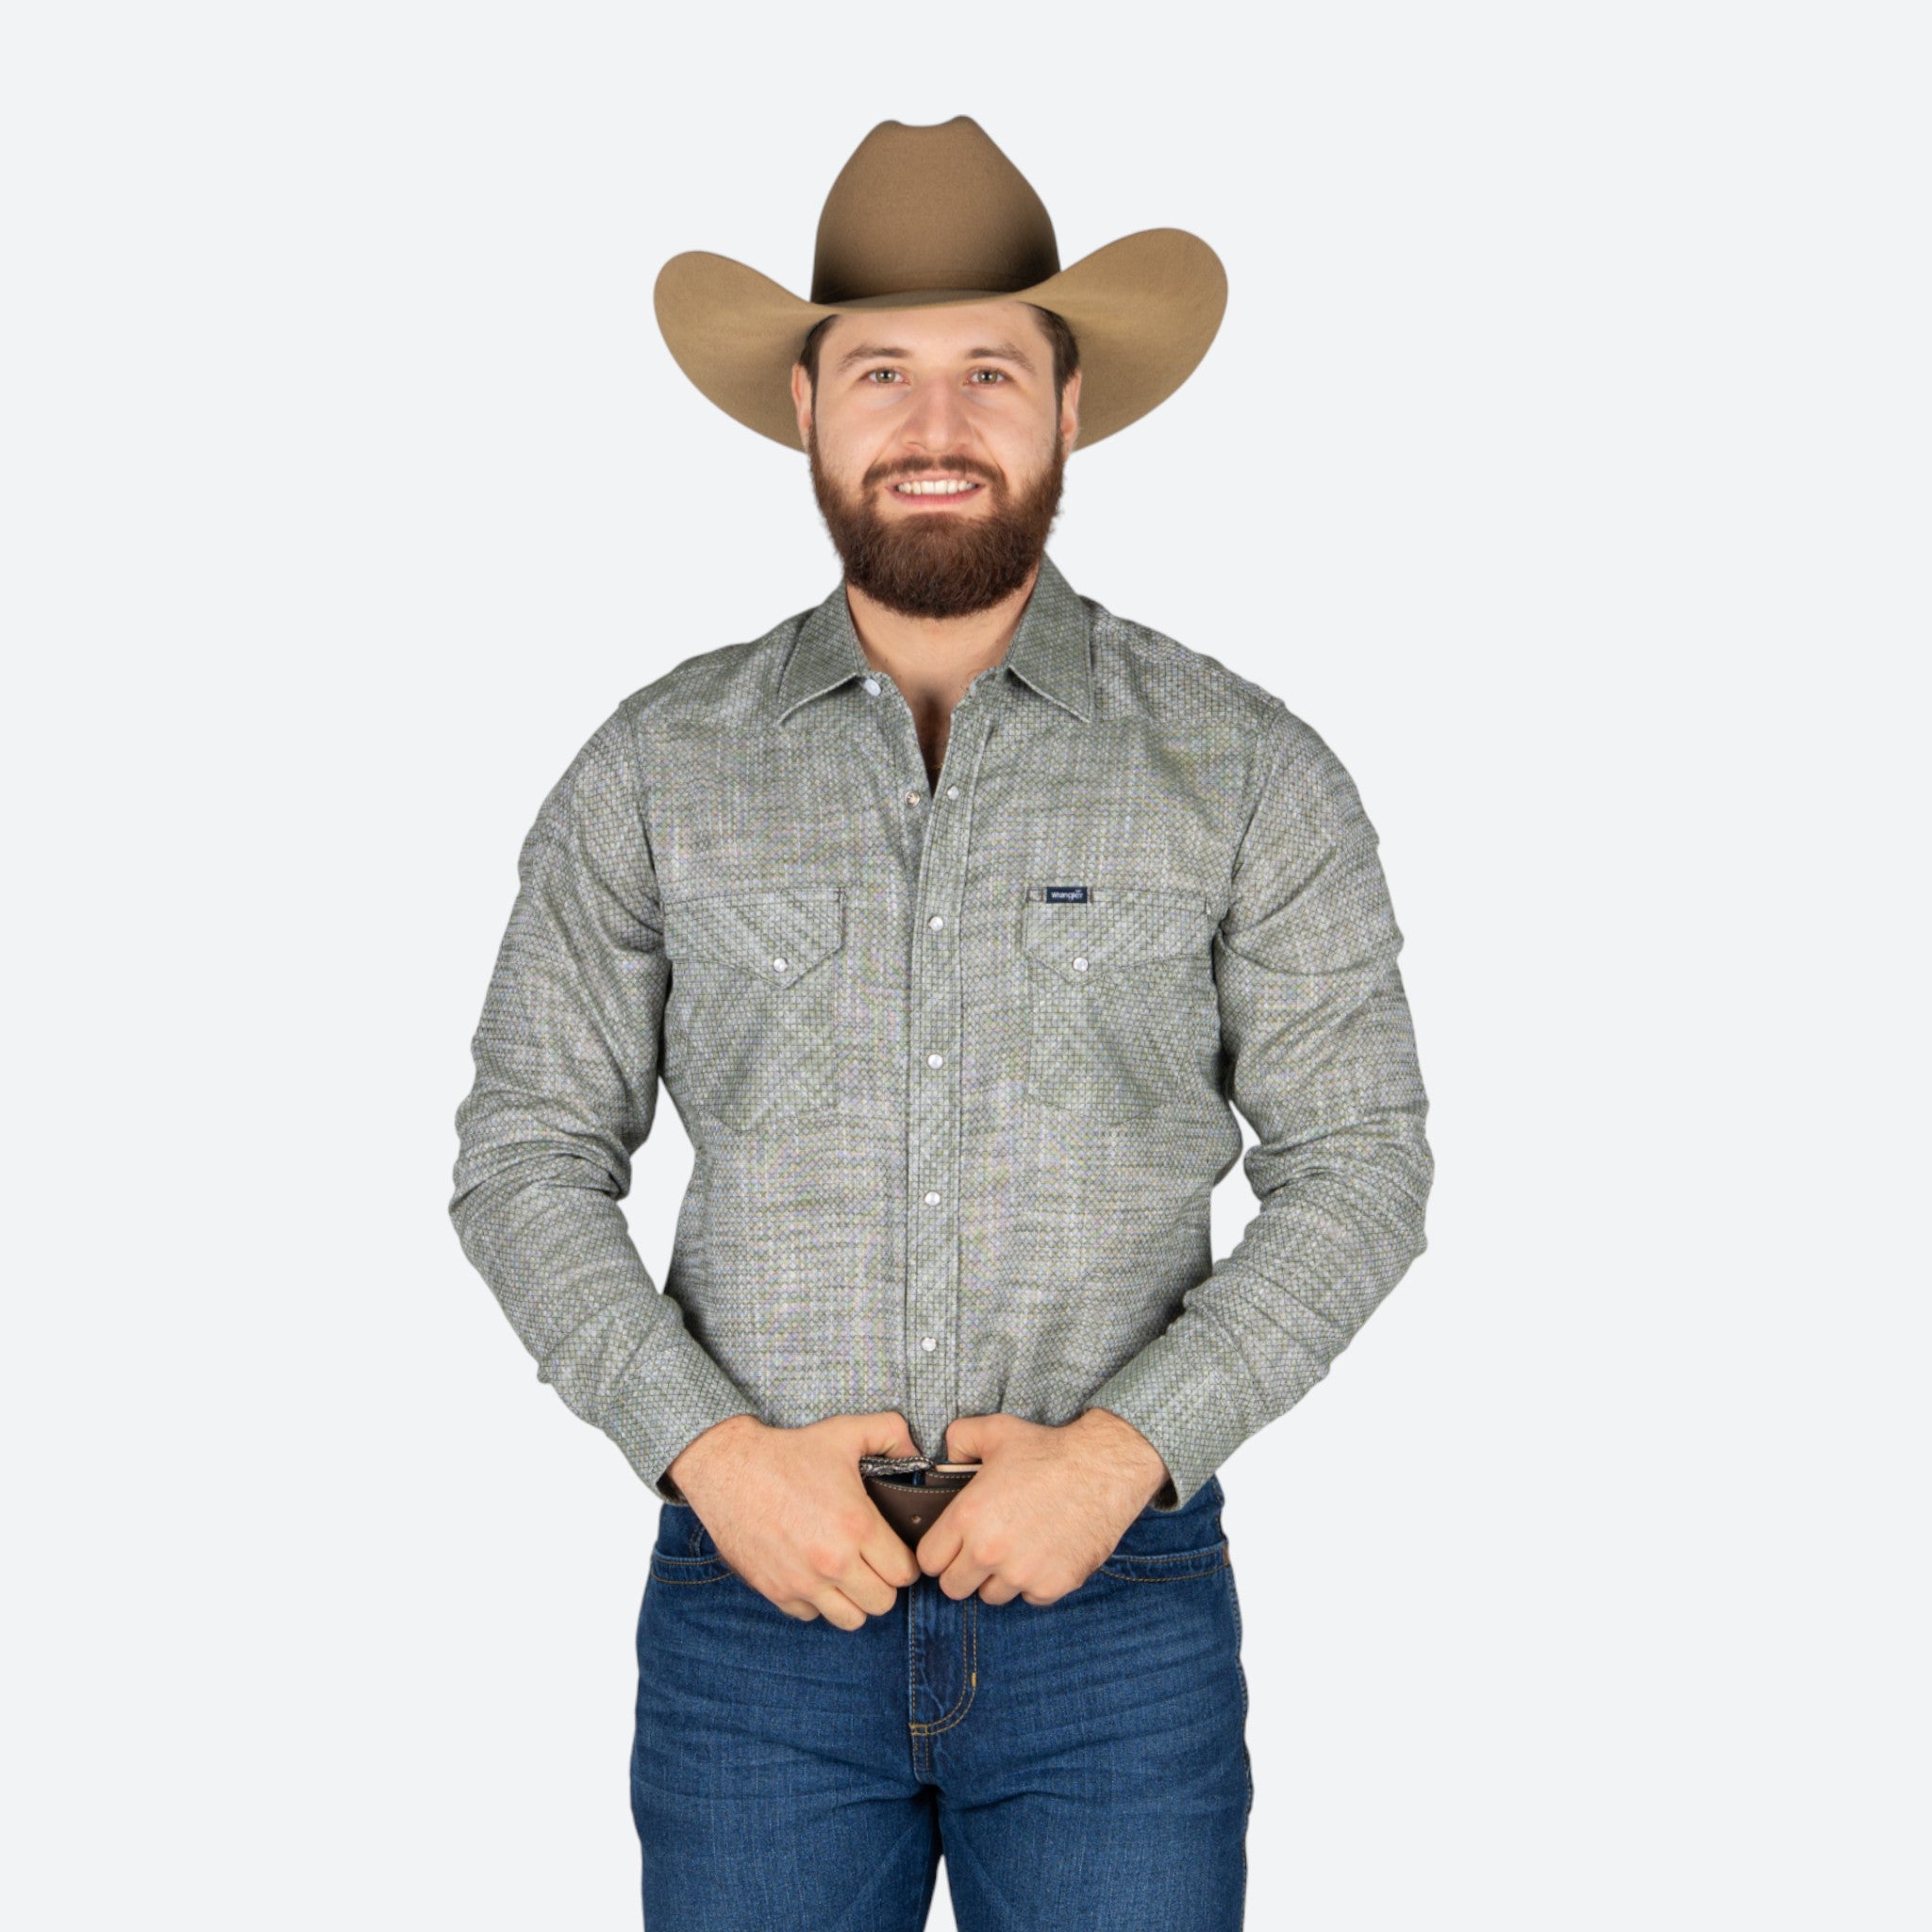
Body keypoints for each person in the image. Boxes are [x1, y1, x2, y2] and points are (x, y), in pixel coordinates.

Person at [449, 113, 1433, 1932]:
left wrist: (1122, 1459)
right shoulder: (657, 767)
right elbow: (523, 1158)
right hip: (754, 1622)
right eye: (880, 371)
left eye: (990, 370)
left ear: (1069, 407)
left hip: (1115, 1620)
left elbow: (1361, 1165)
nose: (934, 421)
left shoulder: (1245, 770)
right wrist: (709, 1454)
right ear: (806, 410)